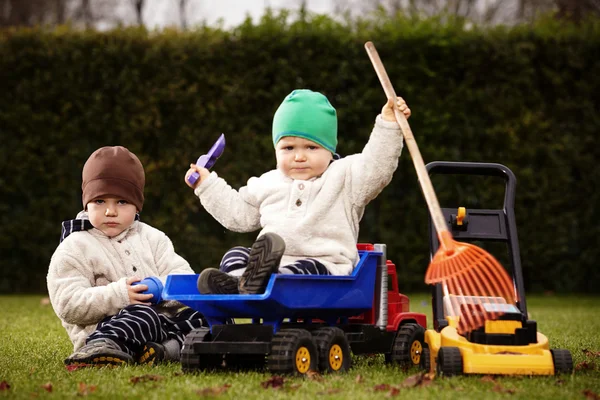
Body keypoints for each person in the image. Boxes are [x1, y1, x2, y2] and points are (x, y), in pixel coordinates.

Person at [184, 89, 411, 295]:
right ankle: (240, 283)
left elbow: (376, 166)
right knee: (235, 254)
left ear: (330, 151)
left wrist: (388, 125)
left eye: (311, 147)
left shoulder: (346, 178)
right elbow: (238, 214)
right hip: (269, 264)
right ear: (276, 150)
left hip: (324, 268)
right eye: (288, 148)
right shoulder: (267, 182)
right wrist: (207, 185)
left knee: (304, 272)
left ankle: (266, 282)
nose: (299, 156)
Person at [47, 146, 205, 367]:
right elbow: (68, 304)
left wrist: (158, 289)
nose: (110, 211)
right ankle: (101, 347)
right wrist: (120, 295)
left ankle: (164, 351)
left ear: (137, 204)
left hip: (160, 326)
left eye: (121, 202)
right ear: (86, 202)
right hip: (106, 328)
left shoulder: (153, 238)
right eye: (100, 201)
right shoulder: (75, 246)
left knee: (204, 315)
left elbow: (184, 279)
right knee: (142, 314)